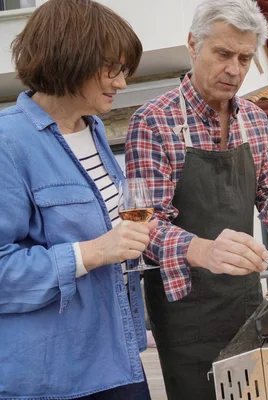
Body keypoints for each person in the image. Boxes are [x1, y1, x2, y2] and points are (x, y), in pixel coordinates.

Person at [125, 0, 268, 398]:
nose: (234, 69)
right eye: (223, 53)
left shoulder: (254, 119)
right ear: (194, 45)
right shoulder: (153, 121)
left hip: (245, 300)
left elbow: (266, 188)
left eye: (244, 58)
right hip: (185, 312)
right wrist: (202, 249)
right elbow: (142, 224)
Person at [0, 0, 154, 398]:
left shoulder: (93, 128)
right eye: (112, 67)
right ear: (69, 56)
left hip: (117, 356)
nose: (122, 83)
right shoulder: (8, 143)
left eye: (125, 70)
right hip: (54, 378)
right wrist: (93, 252)